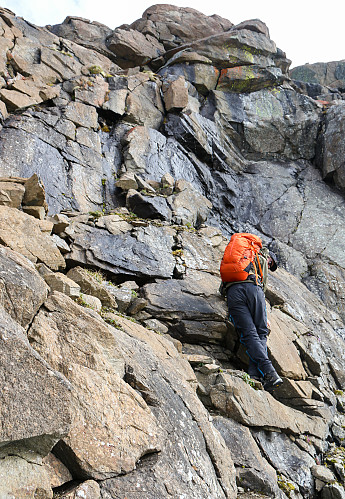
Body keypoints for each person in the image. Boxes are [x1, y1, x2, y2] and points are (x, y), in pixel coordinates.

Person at [222, 245, 282, 392]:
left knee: (249, 334)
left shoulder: (238, 256)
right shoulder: (260, 258)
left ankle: (255, 376)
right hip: (254, 289)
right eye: (270, 263)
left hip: (233, 292)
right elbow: (263, 287)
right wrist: (263, 313)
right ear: (268, 257)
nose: (269, 265)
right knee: (261, 332)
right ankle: (269, 372)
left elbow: (223, 281)